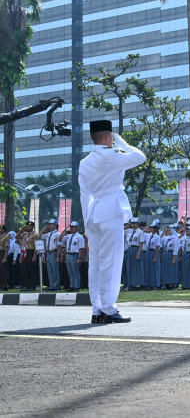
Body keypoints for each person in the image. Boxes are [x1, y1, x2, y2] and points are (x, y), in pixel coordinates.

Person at [79, 119, 146, 324]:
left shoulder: (85, 161)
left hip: (94, 214)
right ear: (109, 136)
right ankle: (109, 307)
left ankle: (97, 310)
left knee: (97, 264)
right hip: (110, 212)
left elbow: (84, 194)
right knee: (112, 261)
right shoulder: (111, 155)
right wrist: (123, 144)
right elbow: (140, 157)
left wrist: (86, 222)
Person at [61, 222, 86, 291]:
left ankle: (76, 286)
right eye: (71, 227)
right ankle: (72, 286)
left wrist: (79, 257)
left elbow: (81, 248)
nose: (72, 228)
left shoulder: (80, 237)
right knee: (70, 272)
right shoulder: (68, 236)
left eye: (73, 227)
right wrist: (64, 230)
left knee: (76, 272)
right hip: (68, 254)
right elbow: (60, 239)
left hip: (75, 255)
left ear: (77, 228)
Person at [40, 219, 61, 291]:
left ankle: (56, 286)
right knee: (50, 271)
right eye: (49, 224)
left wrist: (58, 256)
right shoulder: (48, 234)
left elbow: (59, 246)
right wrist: (43, 230)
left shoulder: (57, 234)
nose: (49, 226)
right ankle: (51, 285)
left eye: (51, 224)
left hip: (54, 252)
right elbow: (39, 237)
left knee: (55, 270)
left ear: (55, 225)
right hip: (48, 253)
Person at [0, 225, 9, 290]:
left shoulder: (6, 237)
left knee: (4, 270)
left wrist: (5, 257)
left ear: (4, 230)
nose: (0, 230)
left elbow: (7, 247)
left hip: (3, 253)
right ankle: (0, 285)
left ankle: (4, 285)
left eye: (1, 229)